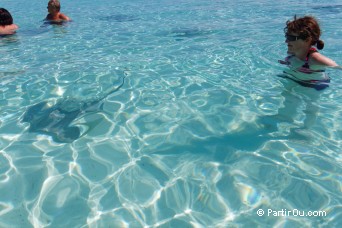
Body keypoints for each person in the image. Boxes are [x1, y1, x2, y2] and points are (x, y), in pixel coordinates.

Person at [278, 15, 338, 90]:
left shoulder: (315, 58)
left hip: (314, 86)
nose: (286, 41)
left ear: (307, 40)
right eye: (287, 36)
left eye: (291, 38)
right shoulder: (293, 52)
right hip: (295, 79)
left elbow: (338, 67)